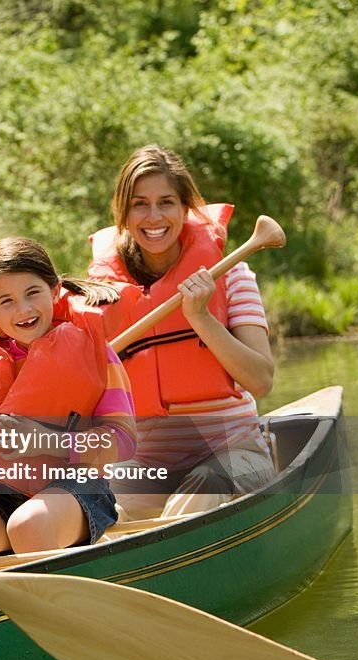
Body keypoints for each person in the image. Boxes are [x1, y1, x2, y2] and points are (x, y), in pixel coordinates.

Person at [88, 144, 275, 520]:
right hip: (150, 465)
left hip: (234, 454)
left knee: (203, 489)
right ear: (122, 213)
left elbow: (262, 380)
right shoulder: (99, 296)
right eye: (140, 203)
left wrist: (201, 317)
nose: (153, 216)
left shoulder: (231, 275)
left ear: (185, 208)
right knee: (93, 507)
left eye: (166, 202)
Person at [0, 237, 136, 555]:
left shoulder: (93, 352)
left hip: (81, 491)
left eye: (33, 293)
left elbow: (123, 440)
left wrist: (45, 440)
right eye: (7, 301)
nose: (24, 309)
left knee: (28, 524)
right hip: (7, 492)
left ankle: (66, 602)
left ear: (55, 291)